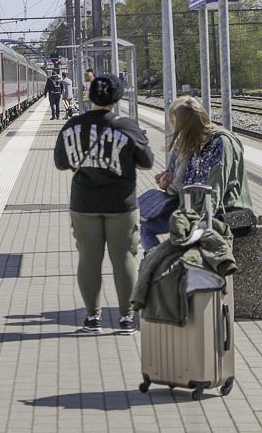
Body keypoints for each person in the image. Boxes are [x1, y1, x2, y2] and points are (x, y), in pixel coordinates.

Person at [54, 74, 154, 334]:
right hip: (121, 204)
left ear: (89, 96)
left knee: (88, 259)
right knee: (124, 259)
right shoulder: (127, 127)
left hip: (84, 203)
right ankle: (126, 318)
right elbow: (147, 162)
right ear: (117, 97)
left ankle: (92, 318)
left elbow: (61, 163)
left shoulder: (73, 126)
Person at [170, 96, 252, 219]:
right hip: (199, 212)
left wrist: (200, 222)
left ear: (186, 128)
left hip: (227, 214)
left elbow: (215, 189)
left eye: (177, 127)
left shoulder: (221, 142)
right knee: (150, 225)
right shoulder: (197, 145)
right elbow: (186, 184)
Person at [139, 97, 192, 252]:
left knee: (147, 228)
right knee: (145, 226)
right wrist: (165, 175)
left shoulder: (189, 145)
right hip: (182, 203)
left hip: (188, 209)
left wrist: (166, 185)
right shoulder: (180, 143)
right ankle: (158, 264)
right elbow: (172, 171)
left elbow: (177, 185)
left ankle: (157, 265)